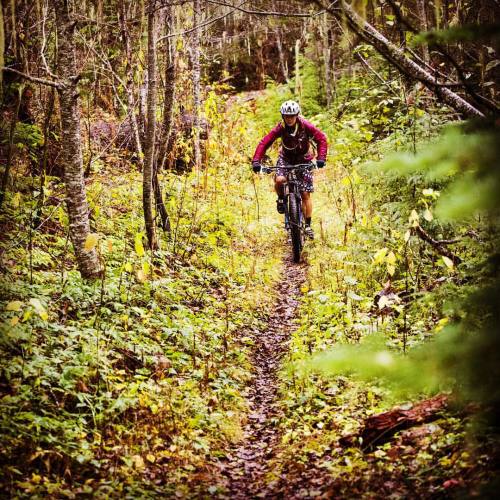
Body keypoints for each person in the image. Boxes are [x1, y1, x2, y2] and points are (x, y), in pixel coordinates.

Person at [251, 100, 328, 239]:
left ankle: (308, 226)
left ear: (297, 115)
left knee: (305, 193)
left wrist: (321, 158)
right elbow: (265, 142)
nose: (289, 118)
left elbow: (321, 138)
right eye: (287, 116)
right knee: (280, 180)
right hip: (285, 159)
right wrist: (256, 160)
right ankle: (281, 199)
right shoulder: (280, 128)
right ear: (283, 116)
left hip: (304, 160)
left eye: (292, 116)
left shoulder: (305, 126)